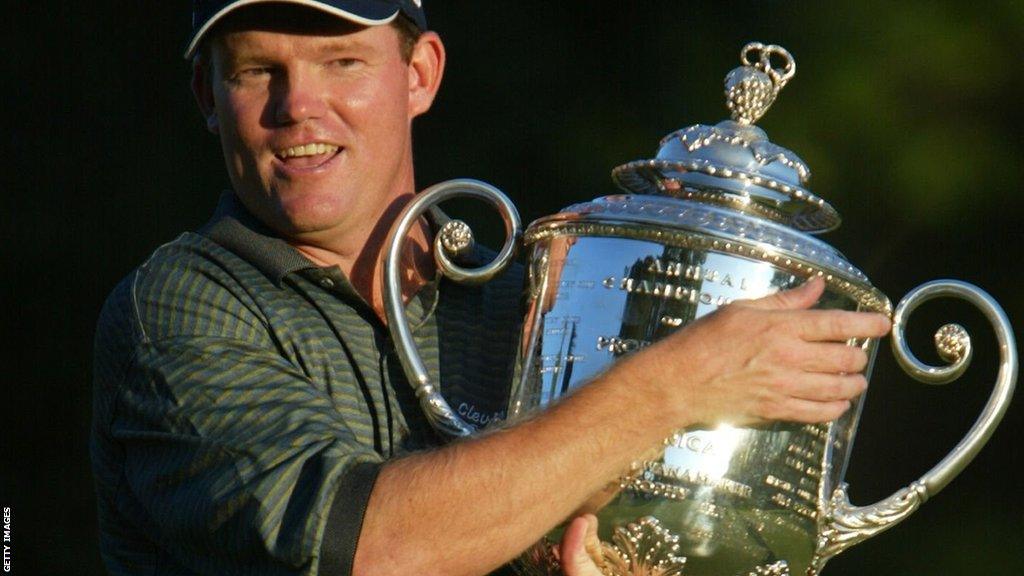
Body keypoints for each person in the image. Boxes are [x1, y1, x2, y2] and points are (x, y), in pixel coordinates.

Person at [90, 2, 892, 575]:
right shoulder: (178, 306)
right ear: (208, 96)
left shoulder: (528, 301)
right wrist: (675, 384)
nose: (298, 107)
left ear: (420, 74)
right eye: (259, 70)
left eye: (342, 61)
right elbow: (372, 550)